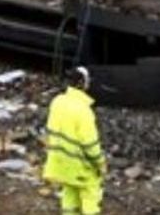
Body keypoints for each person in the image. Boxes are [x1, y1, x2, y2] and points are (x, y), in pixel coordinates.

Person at [43, 67, 106, 215]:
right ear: (83, 84)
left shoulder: (57, 102)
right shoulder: (83, 110)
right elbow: (90, 144)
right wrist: (100, 163)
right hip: (81, 166)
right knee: (91, 197)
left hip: (60, 163)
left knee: (69, 196)